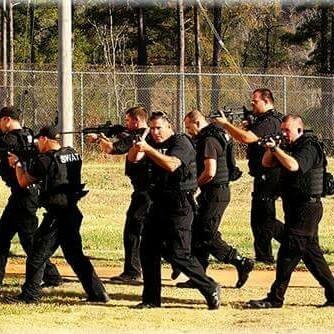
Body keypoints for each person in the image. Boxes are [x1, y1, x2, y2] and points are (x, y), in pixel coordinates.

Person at [127, 111, 221, 309]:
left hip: (180, 204)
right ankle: (151, 299)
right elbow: (133, 162)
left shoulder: (182, 142)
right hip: (157, 202)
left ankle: (209, 286)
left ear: (169, 127)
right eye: (151, 128)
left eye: (159, 128)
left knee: (179, 253)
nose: (155, 132)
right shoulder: (149, 142)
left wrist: (149, 150)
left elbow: (172, 165)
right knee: (147, 250)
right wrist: (136, 148)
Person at [6, 126, 109, 303]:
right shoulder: (72, 154)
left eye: (39, 141)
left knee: (37, 255)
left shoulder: (46, 160)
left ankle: (30, 295)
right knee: (75, 256)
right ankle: (98, 294)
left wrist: (18, 163)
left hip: (57, 215)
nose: (37, 144)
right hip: (72, 211)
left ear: (45, 139)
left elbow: (24, 181)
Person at [247, 115, 334, 308]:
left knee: (288, 251)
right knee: (312, 255)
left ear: (300, 130)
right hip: (293, 206)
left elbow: (294, 166)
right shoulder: (289, 147)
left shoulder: (309, 146)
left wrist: (278, 149)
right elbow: (266, 163)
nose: (284, 134)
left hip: (307, 208)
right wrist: (272, 147)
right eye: (282, 130)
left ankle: (275, 298)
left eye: (287, 130)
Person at [175, 110, 253, 289]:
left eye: (189, 127)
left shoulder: (209, 140)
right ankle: (198, 275)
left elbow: (210, 171)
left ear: (197, 123)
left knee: (207, 234)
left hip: (216, 192)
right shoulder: (215, 135)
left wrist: (194, 185)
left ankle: (239, 261)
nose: (188, 131)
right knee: (200, 231)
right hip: (213, 192)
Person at [213, 88, 284, 264]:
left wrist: (226, 125)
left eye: (255, 101)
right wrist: (243, 126)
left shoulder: (270, 121)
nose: (252, 104)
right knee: (259, 218)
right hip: (262, 174)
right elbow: (243, 136)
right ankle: (264, 256)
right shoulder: (261, 120)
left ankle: (298, 243)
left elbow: (246, 138)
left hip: (271, 175)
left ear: (267, 101)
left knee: (264, 219)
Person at [88, 106, 152, 283]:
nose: (126, 124)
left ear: (136, 120)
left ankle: (132, 272)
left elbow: (111, 149)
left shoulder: (138, 136)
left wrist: (100, 139)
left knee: (132, 230)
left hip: (144, 191)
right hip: (149, 190)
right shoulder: (149, 133)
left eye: (128, 120)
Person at [0, 106, 61, 287]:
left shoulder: (7, 140)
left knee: (29, 240)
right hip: (25, 193)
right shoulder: (29, 135)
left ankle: (51, 276)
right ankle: (51, 275)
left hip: (24, 194)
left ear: (6, 120)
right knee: (5, 237)